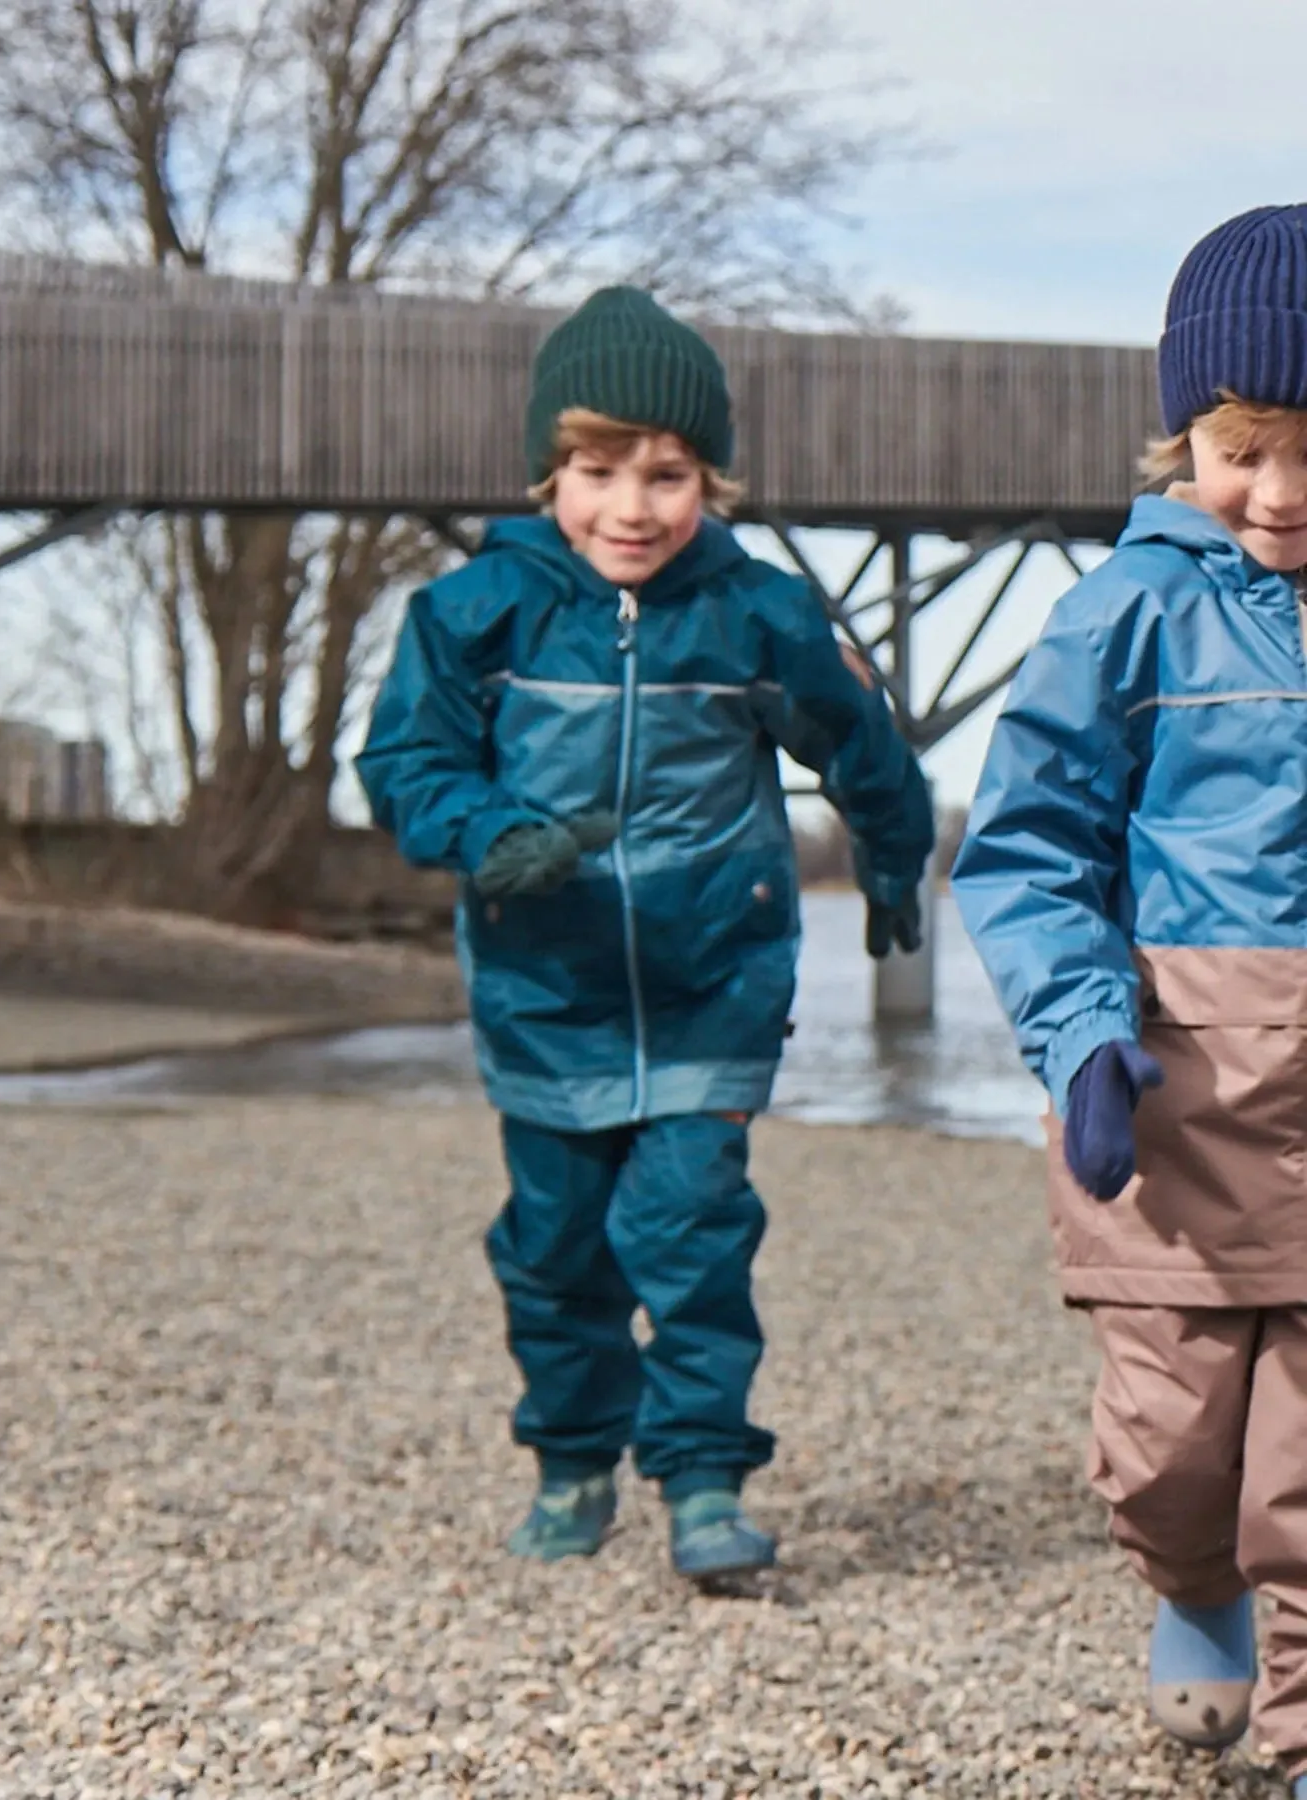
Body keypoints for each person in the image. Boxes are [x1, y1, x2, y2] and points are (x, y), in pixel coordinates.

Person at [357, 285, 933, 1581]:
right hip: (541, 985)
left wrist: (893, 863)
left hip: (711, 983)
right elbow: (405, 761)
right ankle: (572, 1463)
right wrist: (490, 831)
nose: (633, 506)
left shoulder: (759, 616)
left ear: (709, 480)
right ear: (547, 473)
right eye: (599, 471)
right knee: (554, 1249)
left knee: (691, 1233)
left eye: (667, 474)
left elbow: (864, 746)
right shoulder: (477, 614)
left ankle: (704, 1480)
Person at [953, 204, 1307, 1788]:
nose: (1284, 494)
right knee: (1176, 1462)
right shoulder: (1124, 615)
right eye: (1248, 448)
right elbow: (1029, 850)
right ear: (1188, 440)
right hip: (1170, 1112)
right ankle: (1190, 1587)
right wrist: (1083, 1029)